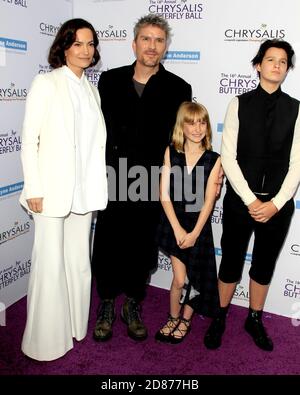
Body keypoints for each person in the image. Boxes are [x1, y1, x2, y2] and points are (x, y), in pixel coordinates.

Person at [92, 14, 192, 342]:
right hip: (111, 178)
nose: (152, 46)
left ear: (166, 47)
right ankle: (106, 303)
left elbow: (181, 141)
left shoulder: (179, 88)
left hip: (151, 182)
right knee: (107, 242)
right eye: (146, 39)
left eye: (159, 40)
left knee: (142, 246)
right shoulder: (108, 81)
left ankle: (132, 304)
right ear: (134, 43)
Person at [19, 18, 108, 361]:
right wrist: (34, 187)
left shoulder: (91, 88)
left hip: (83, 193)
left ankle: (74, 326)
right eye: (78, 44)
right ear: (64, 47)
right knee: (50, 265)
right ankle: (45, 342)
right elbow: (29, 140)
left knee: (78, 263)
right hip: (51, 192)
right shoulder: (46, 82)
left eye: (90, 44)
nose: (86, 51)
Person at [204, 39, 300, 352]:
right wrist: (251, 201)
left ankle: (254, 318)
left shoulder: (296, 109)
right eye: (270, 59)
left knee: (263, 264)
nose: (276, 65)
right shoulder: (239, 103)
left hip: (278, 205)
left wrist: (275, 203)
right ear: (258, 65)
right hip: (239, 203)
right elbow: (227, 158)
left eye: (283, 61)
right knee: (231, 260)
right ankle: (219, 316)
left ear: (287, 69)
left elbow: (297, 162)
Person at [154, 102, 221, 344]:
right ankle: (173, 317)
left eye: (202, 122)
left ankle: (186, 319)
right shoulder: (171, 152)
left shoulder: (214, 159)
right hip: (174, 223)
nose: (197, 128)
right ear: (182, 125)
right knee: (179, 279)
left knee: (195, 279)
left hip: (199, 228)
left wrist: (193, 234)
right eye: (191, 122)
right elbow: (164, 195)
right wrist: (178, 229)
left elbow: (208, 203)